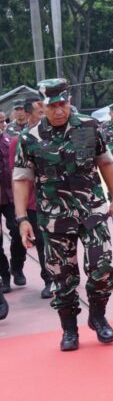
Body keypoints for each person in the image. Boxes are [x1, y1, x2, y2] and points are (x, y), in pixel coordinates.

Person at [13, 78, 113, 351]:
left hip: (92, 210)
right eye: (52, 106)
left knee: (102, 269)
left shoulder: (89, 126)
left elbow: (105, 162)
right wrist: (22, 219)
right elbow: (22, 179)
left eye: (63, 104)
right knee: (62, 277)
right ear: (41, 106)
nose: (59, 110)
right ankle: (69, 328)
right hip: (54, 217)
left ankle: (98, 316)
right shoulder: (30, 137)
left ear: (69, 101)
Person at [7, 97, 52, 298]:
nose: (45, 116)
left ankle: (63, 277)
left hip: (57, 199)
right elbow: (16, 177)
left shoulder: (56, 136)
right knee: (40, 242)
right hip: (34, 202)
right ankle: (48, 279)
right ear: (28, 114)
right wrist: (21, 211)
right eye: (40, 113)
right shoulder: (18, 141)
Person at [0, 119, 28, 293]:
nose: (1, 125)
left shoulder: (9, 139)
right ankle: (4, 275)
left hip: (10, 195)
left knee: (19, 231)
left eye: (2, 121)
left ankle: (16, 267)